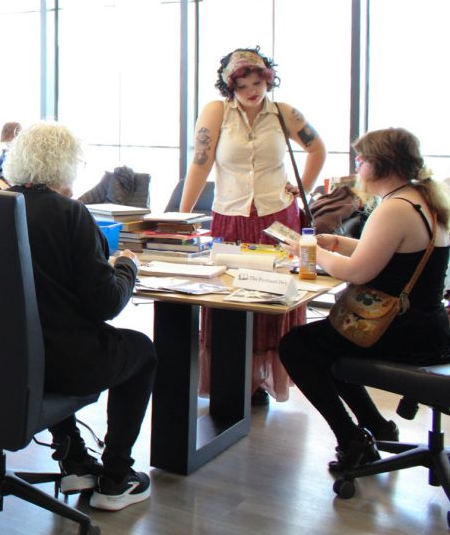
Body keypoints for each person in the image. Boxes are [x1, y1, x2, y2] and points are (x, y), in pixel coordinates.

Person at [2, 121, 156, 511]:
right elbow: (106, 304)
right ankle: (116, 477)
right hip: (64, 366)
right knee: (141, 351)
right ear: (67, 166)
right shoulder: (71, 214)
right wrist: (127, 267)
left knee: (45, 334)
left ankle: (74, 460)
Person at [279, 128, 450, 473]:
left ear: (382, 163)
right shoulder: (421, 198)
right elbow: (393, 255)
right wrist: (338, 244)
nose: (358, 165)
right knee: (325, 344)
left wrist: (309, 250)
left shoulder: (395, 208)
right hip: (428, 327)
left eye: (362, 158)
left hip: (401, 329)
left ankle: (352, 438)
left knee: (297, 346)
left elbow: (356, 273)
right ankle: (376, 425)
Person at [179, 47, 325, 405]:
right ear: (230, 87)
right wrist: (181, 218)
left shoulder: (283, 113)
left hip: (278, 218)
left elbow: (317, 149)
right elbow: (200, 163)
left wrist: (301, 188)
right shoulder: (217, 112)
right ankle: (232, 378)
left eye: (257, 83)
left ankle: (261, 383)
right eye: (242, 86)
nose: (251, 92)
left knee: (272, 299)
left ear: (268, 80)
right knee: (228, 299)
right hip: (230, 217)